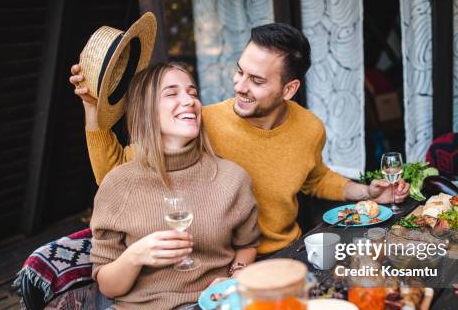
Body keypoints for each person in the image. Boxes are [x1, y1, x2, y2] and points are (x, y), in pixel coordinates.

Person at [71, 23, 409, 256]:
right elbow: (115, 175)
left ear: (288, 89)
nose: (240, 86)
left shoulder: (310, 128)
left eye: (257, 80)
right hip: (223, 265)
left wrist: (367, 192)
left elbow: (316, 178)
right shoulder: (202, 122)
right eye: (240, 71)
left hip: (291, 251)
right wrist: (92, 109)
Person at [84, 62, 259, 310]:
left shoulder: (232, 178)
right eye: (172, 93)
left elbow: (247, 245)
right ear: (146, 110)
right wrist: (137, 255)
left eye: (193, 92)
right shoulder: (119, 184)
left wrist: (235, 277)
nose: (189, 100)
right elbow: (108, 286)